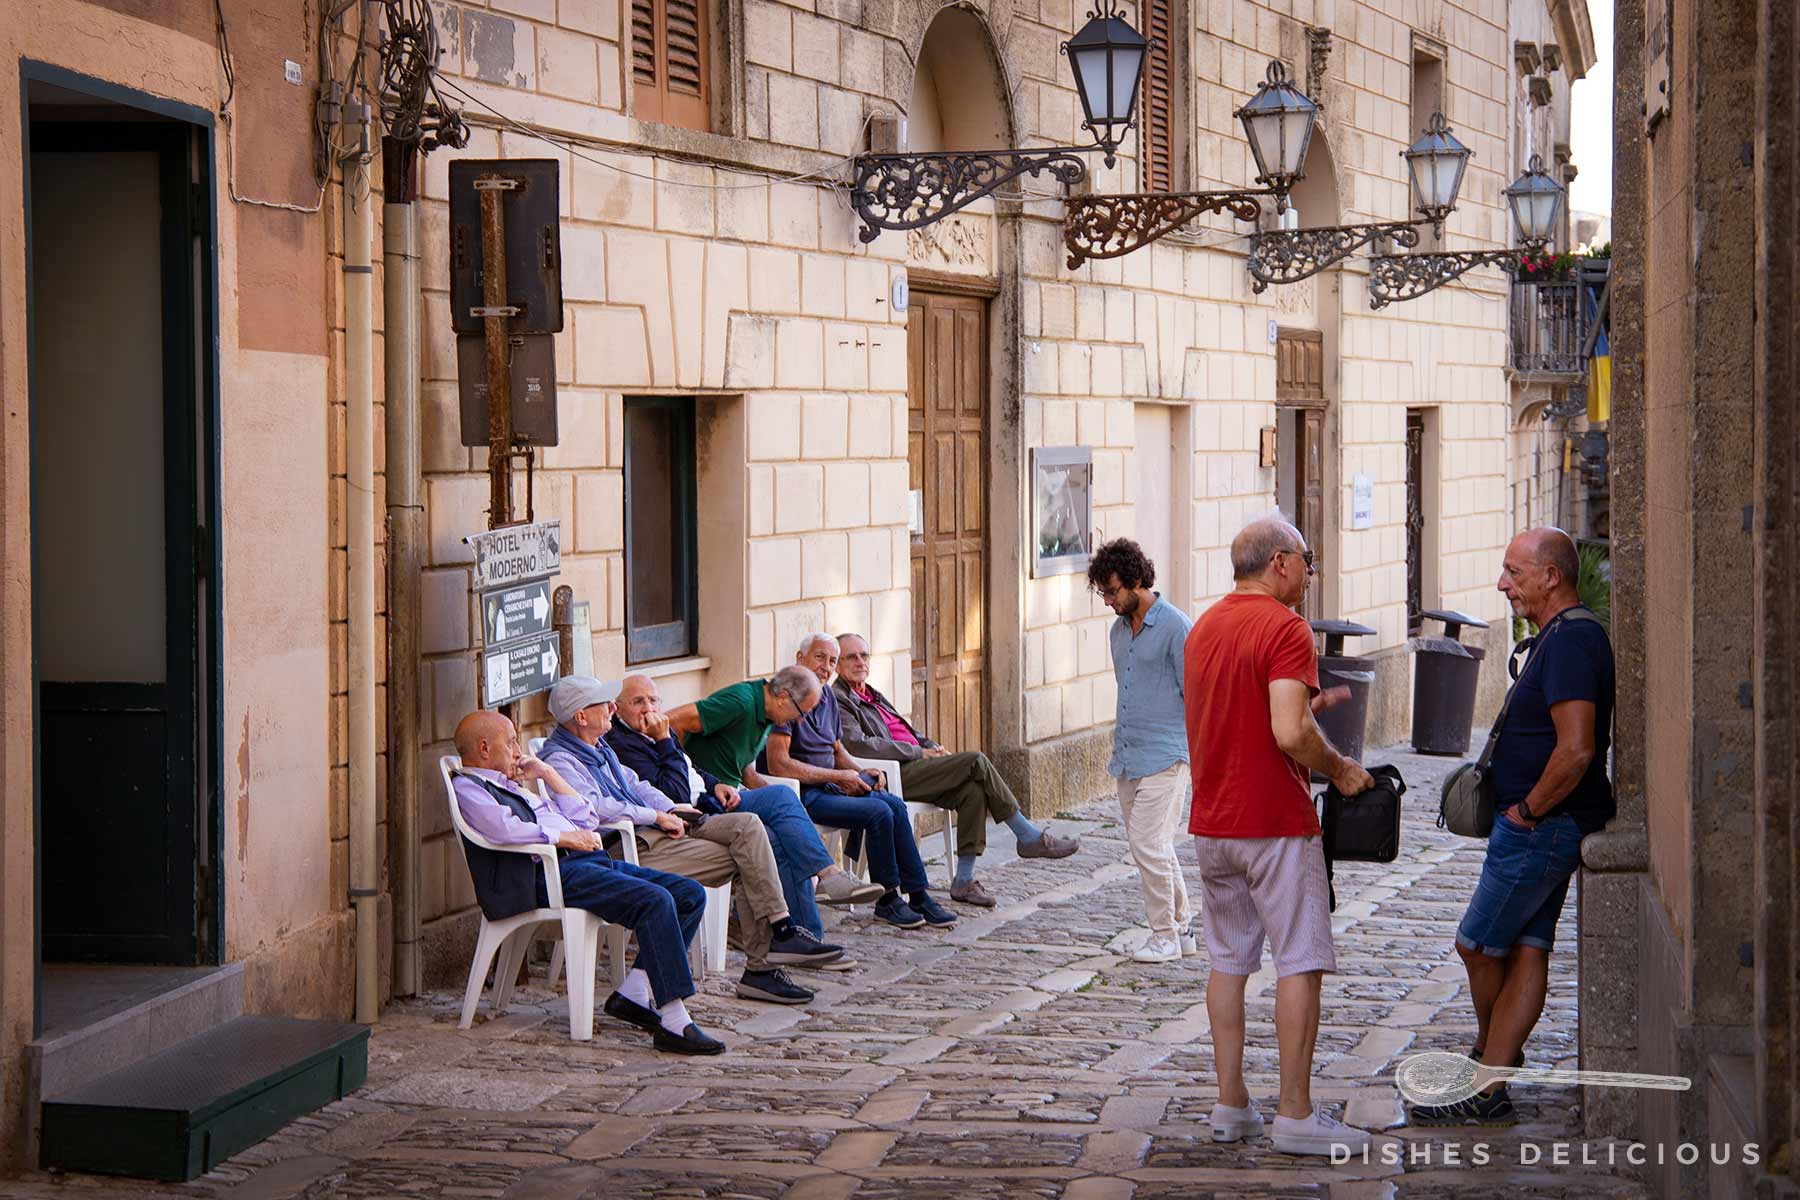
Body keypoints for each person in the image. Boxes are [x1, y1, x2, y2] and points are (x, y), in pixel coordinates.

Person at [1410, 527, 1615, 1127]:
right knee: (1527, 946)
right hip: (1548, 821)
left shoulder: (1573, 640)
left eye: (1514, 572)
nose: (1503, 584)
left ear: (1551, 576)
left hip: (1542, 824)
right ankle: (1492, 1073)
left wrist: (1528, 812)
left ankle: (1490, 1065)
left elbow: (1576, 750)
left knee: (1475, 943)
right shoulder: (1558, 635)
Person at [1184, 515, 1373, 1156]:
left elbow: (1244, 712)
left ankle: (1231, 1103)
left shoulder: (1204, 626)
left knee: (1228, 961)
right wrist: (1342, 768)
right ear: (1282, 564)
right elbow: (1288, 733)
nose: (1311, 572)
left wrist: (1302, 713)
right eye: (1308, 559)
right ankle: (1295, 1113)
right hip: (1274, 820)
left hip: (1214, 820)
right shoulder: (1286, 627)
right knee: (1300, 959)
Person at [538, 676, 846, 1006]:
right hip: (626, 847)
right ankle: (764, 963)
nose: (612, 708)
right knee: (753, 854)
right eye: (606, 704)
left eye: (651, 700)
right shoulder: (562, 759)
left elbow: (637, 784)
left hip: (662, 828)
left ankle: (781, 932)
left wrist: (670, 807)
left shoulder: (599, 747)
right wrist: (657, 815)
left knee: (750, 828)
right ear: (581, 716)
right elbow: (594, 808)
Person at [448, 710, 724, 1055]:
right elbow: (504, 830)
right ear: (485, 748)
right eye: (512, 741)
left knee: (688, 894)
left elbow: (586, 817)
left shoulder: (514, 786)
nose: (518, 750)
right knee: (655, 900)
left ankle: (634, 993)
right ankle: (674, 1019)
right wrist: (565, 838)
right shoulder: (470, 788)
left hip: (580, 865)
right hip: (540, 878)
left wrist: (548, 775)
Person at [604, 673, 884, 950]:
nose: (650, 709)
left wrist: (716, 784)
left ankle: (808, 930)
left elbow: (689, 766)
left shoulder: (657, 731)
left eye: (654, 700)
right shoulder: (628, 742)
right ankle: (816, 896)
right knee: (774, 822)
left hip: (712, 799)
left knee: (780, 810)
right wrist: (665, 739)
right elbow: (674, 791)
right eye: (638, 702)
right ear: (617, 709)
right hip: (688, 815)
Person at [833, 632, 1079, 908]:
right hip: (890, 776)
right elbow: (860, 746)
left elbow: (907, 733)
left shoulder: (872, 694)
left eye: (863, 655)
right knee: (975, 760)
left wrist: (931, 746)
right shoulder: (839, 698)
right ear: (837, 664)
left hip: (916, 765)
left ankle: (963, 880)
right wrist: (918, 752)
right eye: (851, 657)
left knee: (972, 791)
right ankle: (1027, 836)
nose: (860, 662)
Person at [761, 639, 959, 930]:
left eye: (831, 661)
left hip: (831, 786)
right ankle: (888, 899)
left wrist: (861, 771)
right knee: (877, 812)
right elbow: (779, 764)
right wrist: (840, 778)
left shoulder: (826, 697)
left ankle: (917, 894)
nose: (826, 667)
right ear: (800, 658)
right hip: (801, 795)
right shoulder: (787, 696)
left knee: (891, 802)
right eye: (819, 657)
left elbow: (837, 749)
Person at [1087, 538, 1197, 963]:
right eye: (1104, 594)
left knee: (1148, 845)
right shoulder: (1118, 632)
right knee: (1156, 845)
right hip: (1129, 754)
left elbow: (1194, 693)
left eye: (1113, 591)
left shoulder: (1176, 627)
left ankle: (1164, 935)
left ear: (1136, 581)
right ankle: (1183, 928)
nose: (1110, 601)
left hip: (1168, 754)